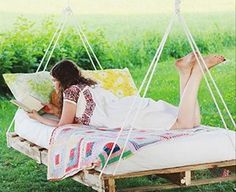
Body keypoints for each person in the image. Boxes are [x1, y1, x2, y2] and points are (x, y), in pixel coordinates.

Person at [28, 53, 226, 131]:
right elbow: (71, 116)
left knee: (184, 124)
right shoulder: (87, 86)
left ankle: (198, 71)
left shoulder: (70, 91)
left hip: (123, 116)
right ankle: (184, 72)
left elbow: (64, 125)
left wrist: (38, 118)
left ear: (62, 80)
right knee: (193, 121)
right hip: (129, 106)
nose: (55, 86)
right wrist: (54, 111)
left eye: (55, 81)